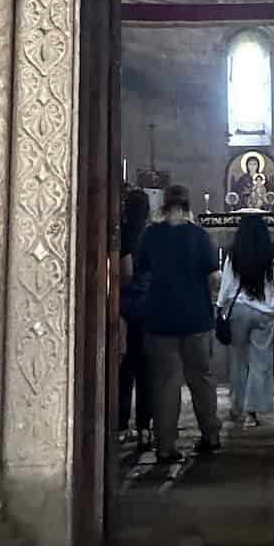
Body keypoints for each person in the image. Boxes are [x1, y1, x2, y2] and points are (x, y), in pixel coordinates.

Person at [136, 183, 221, 463]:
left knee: (165, 383)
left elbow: (142, 270)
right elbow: (213, 277)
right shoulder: (199, 235)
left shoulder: (151, 235)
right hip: (196, 317)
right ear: (188, 206)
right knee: (201, 378)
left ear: (163, 206)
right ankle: (210, 435)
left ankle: (165, 446)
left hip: (160, 318)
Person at [217, 213, 274, 426]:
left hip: (240, 310)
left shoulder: (234, 254)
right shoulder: (270, 254)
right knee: (260, 362)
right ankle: (252, 412)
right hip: (264, 311)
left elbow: (226, 285)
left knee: (238, 361)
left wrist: (219, 307)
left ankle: (237, 406)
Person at [117, 187, 152, 450]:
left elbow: (125, 273)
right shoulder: (151, 234)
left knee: (124, 369)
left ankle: (120, 426)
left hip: (124, 307)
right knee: (145, 370)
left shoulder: (122, 232)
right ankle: (144, 428)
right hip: (148, 306)